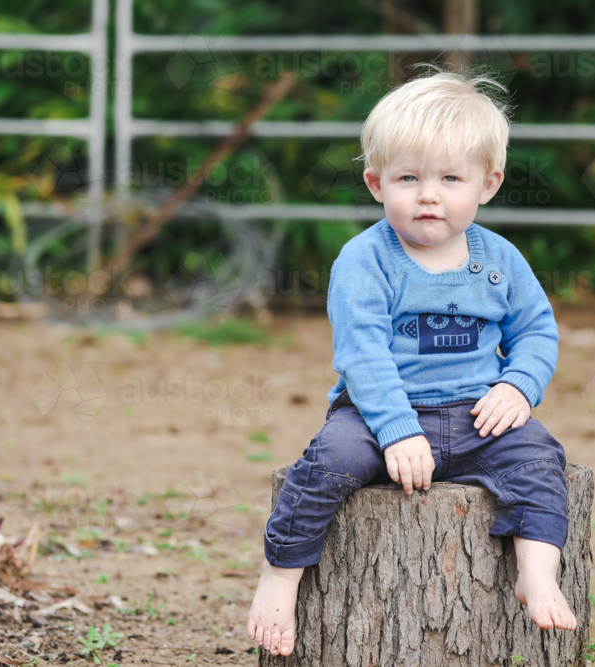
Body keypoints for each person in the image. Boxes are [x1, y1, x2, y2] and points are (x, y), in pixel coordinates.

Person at [246, 63, 575, 657]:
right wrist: (395, 431)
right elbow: (362, 353)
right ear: (376, 184)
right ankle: (281, 575)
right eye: (408, 177)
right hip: (379, 414)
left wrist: (520, 386)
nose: (429, 194)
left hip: (478, 415)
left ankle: (537, 571)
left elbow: (536, 330)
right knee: (329, 462)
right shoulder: (365, 260)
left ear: (488, 184)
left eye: (451, 178)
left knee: (540, 459)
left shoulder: (499, 258)